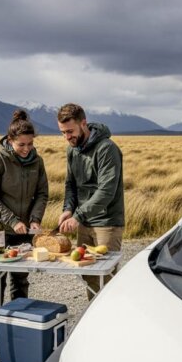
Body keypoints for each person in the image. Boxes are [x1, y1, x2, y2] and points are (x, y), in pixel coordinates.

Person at [0, 110, 48, 347]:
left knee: (20, 279)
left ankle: (19, 322)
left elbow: (42, 194)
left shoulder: (37, 162)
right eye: (21, 144)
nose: (26, 148)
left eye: (30, 144)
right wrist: (14, 221)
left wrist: (35, 219)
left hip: (24, 232)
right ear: (9, 140)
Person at [56, 103, 125, 300]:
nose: (67, 137)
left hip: (107, 223)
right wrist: (68, 209)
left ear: (83, 123)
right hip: (83, 221)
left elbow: (106, 191)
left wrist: (77, 216)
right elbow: (71, 184)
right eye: (62, 133)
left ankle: (111, 326)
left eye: (70, 131)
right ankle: (94, 322)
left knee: (105, 276)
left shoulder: (107, 149)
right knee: (87, 274)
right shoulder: (72, 150)